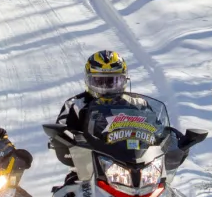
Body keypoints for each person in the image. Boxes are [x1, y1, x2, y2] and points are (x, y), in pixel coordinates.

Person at [53, 50, 148, 185]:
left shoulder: (138, 104)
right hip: (88, 169)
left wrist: (175, 141)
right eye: (99, 81)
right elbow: (61, 131)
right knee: (67, 194)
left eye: (112, 81)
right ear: (88, 79)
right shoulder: (75, 105)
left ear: (124, 80)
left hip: (139, 167)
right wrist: (64, 139)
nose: (106, 88)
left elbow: (157, 128)